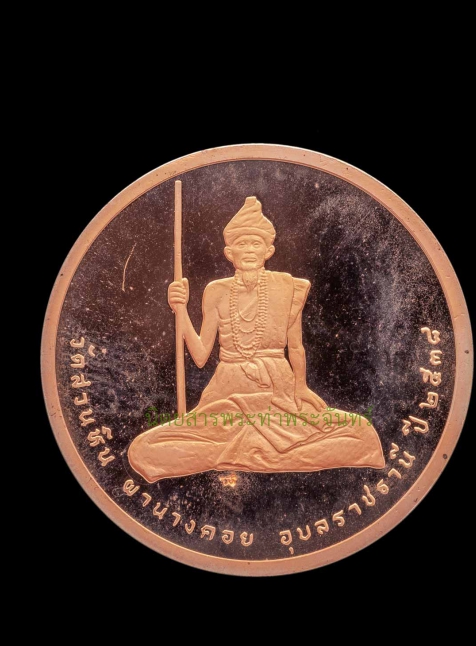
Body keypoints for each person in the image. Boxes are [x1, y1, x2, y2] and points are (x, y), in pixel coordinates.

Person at [128, 196, 385, 482]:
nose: (249, 250)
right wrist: (180, 310)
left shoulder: (286, 286)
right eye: (242, 244)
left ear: (268, 250)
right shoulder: (216, 291)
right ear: (229, 252)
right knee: (143, 449)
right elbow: (200, 356)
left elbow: (295, 345)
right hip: (227, 390)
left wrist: (301, 387)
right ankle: (261, 453)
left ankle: (246, 452)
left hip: (278, 388)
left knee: (361, 430)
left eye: (255, 244)